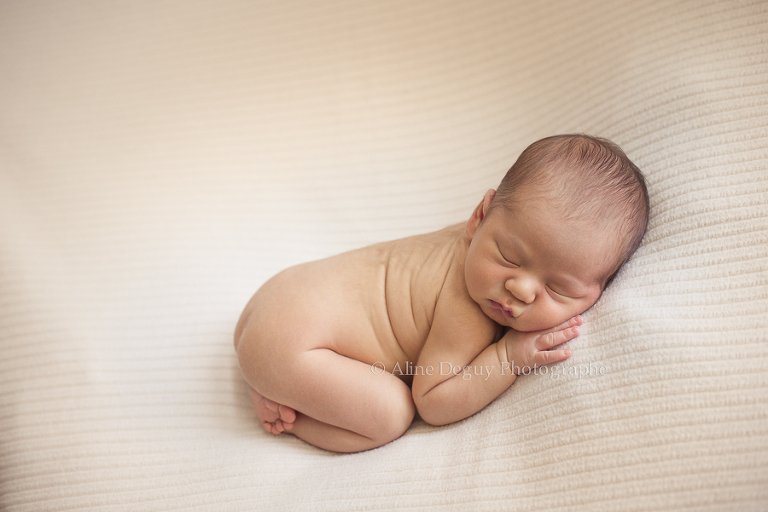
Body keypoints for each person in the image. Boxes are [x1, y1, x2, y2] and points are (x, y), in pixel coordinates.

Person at [234, 134, 650, 453]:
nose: (519, 289)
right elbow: (433, 400)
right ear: (480, 217)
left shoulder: (492, 234)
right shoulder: (467, 310)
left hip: (280, 294)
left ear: (600, 293)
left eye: (557, 288)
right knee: (391, 415)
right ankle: (286, 404)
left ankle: (275, 372)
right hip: (292, 342)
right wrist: (508, 358)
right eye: (508, 255)